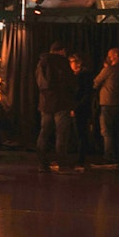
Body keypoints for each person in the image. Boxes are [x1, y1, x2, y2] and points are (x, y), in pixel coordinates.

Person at [36, 41, 75, 172]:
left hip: (45, 103)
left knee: (44, 133)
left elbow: (41, 82)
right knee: (62, 134)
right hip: (61, 102)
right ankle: (62, 165)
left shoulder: (42, 62)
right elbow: (70, 82)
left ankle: (42, 164)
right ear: (62, 51)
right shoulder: (62, 62)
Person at [92, 47, 119, 168]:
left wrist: (105, 68)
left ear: (115, 55)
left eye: (110, 55)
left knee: (106, 132)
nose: (108, 57)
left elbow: (96, 82)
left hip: (107, 103)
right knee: (115, 131)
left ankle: (109, 158)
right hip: (117, 103)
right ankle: (117, 157)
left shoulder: (110, 70)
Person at [68, 53, 94, 172]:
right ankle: (79, 158)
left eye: (72, 62)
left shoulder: (83, 76)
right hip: (79, 107)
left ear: (78, 63)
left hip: (81, 108)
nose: (70, 64)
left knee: (81, 133)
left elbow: (84, 94)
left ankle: (81, 160)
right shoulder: (77, 75)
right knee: (79, 133)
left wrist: (75, 108)